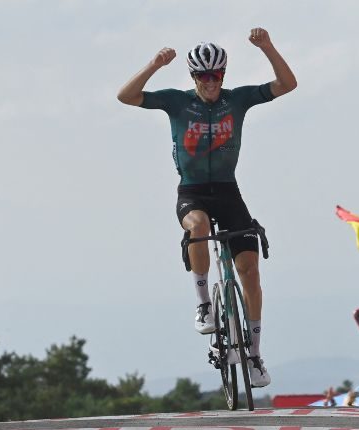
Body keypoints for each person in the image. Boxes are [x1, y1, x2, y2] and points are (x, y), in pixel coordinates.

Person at [117, 28, 297, 388]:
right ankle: (203, 304)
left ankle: (255, 355)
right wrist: (154, 64)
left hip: (228, 191)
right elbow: (126, 96)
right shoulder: (177, 101)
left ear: (224, 76)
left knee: (250, 270)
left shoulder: (238, 100)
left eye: (216, 75)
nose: (210, 82)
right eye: (203, 75)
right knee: (197, 227)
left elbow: (287, 84)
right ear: (193, 77)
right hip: (193, 191)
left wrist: (268, 47)